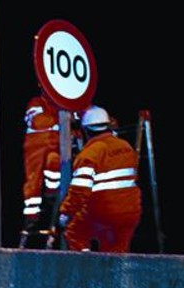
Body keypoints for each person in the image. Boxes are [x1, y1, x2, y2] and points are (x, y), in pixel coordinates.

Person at [57, 105, 141, 252]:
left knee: (74, 232)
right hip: (130, 211)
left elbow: (79, 191)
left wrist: (65, 215)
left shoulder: (89, 154)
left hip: (103, 212)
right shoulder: (125, 146)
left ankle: (88, 269)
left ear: (86, 130)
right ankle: (117, 274)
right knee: (117, 252)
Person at [19, 91, 63, 248]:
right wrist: (62, 119)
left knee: (54, 164)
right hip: (35, 149)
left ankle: (51, 195)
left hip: (54, 149)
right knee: (33, 185)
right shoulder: (36, 102)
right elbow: (38, 121)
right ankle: (31, 219)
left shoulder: (63, 105)